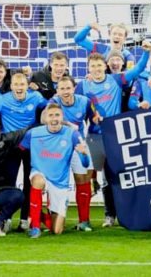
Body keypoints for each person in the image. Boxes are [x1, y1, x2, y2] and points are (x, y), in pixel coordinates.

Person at [75, 47, 151, 227]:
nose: (96, 69)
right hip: (93, 136)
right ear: (88, 68)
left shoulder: (116, 80)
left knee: (114, 176)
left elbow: (137, 70)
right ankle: (100, 216)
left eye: (99, 65)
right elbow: (79, 109)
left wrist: (146, 53)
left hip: (115, 136)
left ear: (105, 66)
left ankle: (118, 214)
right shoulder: (83, 85)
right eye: (92, 66)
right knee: (89, 176)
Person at [0, 72, 48, 230]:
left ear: (27, 86)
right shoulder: (2, 99)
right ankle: (4, 219)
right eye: (16, 84)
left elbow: (50, 105)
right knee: (8, 183)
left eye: (22, 84)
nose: (19, 87)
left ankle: (24, 219)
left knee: (30, 182)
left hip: (31, 145)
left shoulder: (35, 97)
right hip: (10, 147)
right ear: (11, 86)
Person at [20, 103, 90, 238]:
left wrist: (84, 155)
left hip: (60, 182)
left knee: (57, 230)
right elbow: (20, 150)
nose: (54, 119)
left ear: (62, 117)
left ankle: (39, 215)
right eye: (50, 115)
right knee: (38, 180)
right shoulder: (33, 133)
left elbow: (85, 165)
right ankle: (35, 227)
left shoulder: (72, 134)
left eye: (57, 115)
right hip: (40, 174)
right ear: (45, 118)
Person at [50, 76, 94, 231]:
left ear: (74, 88)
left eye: (68, 88)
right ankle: (53, 221)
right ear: (57, 90)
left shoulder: (85, 101)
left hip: (77, 144)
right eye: (62, 89)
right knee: (55, 183)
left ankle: (84, 221)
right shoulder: (53, 103)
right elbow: (47, 119)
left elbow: (92, 118)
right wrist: (67, 124)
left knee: (82, 179)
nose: (65, 92)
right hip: (58, 145)